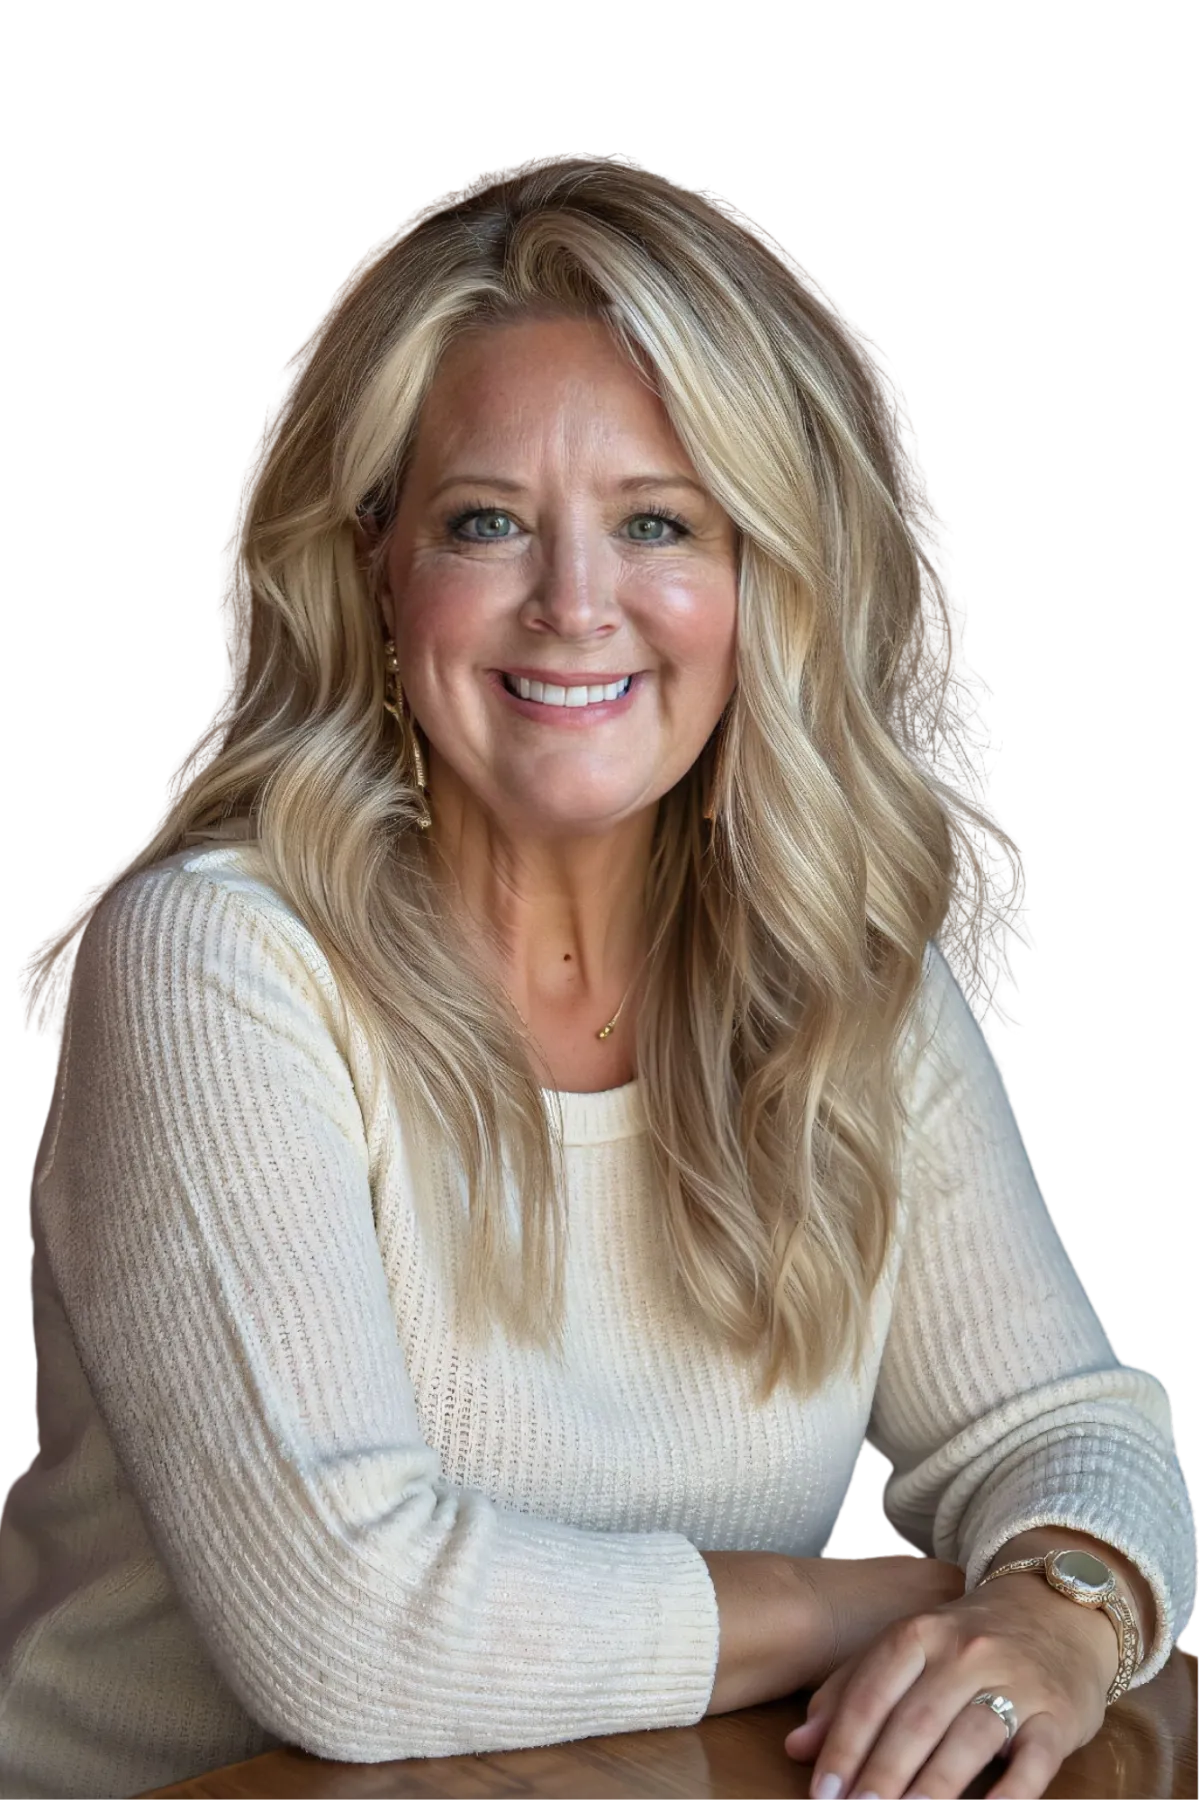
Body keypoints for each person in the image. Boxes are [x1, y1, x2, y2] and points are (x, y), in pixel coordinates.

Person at [5, 152, 1195, 1800]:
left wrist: (1060, 1615)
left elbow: (1072, 1433)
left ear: (765, 576)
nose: (575, 607)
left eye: (657, 523)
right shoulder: (216, 963)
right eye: (486, 522)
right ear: (374, 567)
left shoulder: (835, 981)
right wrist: (886, 1600)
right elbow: (348, 1633)